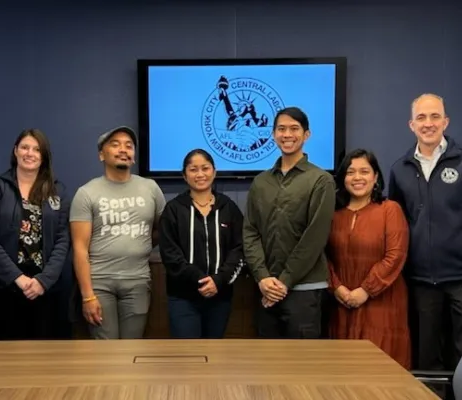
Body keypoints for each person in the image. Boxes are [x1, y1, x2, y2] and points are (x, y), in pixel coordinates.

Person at [243, 106, 336, 339]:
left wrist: (284, 282)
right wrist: (262, 276)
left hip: (304, 291)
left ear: (306, 135)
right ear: (273, 134)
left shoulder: (321, 180)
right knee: (266, 360)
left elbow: (314, 238)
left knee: (302, 361)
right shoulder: (261, 182)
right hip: (265, 288)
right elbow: (250, 232)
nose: (287, 135)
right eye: (281, 129)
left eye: (294, 129)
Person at [389, 94, 462, 383]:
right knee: (427, 359)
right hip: (420, 281)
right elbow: (397, 223)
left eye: (434, 116)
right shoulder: (400, 169)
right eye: (421, 117)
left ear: (446, 121)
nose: (428, 123)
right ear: (411, 125)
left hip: (460, 278)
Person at [70, 126, 166, 339]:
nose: (123, 149)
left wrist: (140, 245)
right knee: (106, 351)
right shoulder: (86, 193)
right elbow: (79, 248)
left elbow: (164, 229)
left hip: (138, 281)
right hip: (99, 283)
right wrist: (87, 296)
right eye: (115, 145)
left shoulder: (150, 188)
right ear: (101, 155)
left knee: (132, 348)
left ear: (133, 156)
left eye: (128, 146)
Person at [0, 129, 70, 340]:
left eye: (37, 149)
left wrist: (43, 281)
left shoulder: (58, 191)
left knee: (45, 354)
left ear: (44, 156)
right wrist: (16, 278)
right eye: (25, 147)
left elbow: (63, 239)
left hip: (45, 288)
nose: (30, 153)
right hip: (2, 287)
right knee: (5, 354)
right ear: (15, 151)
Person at [327, 149, 411, 368]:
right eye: (350, 172)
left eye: (364, 171)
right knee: (343, 369)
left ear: (375, 177)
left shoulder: (390, 210)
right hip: (342, 302)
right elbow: (322, 256)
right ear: (343, 178)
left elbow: (395, 255)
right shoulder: (332, 214)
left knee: (378, 368)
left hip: (381, 302)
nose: (357, 177)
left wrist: (366, 290)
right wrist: (337, 288)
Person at [158, 149, 244, 339]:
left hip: (220, 296)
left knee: (214, 352)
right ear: (184, 175)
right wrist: (200, 280)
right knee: (188, 353)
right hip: (183, 298)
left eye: (205, 168)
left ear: (214, 171)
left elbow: (239, 249)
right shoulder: (173, 210)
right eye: (193, 169)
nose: (200, 174)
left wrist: (218, 280)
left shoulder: (228, 207)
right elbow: (170, 254)